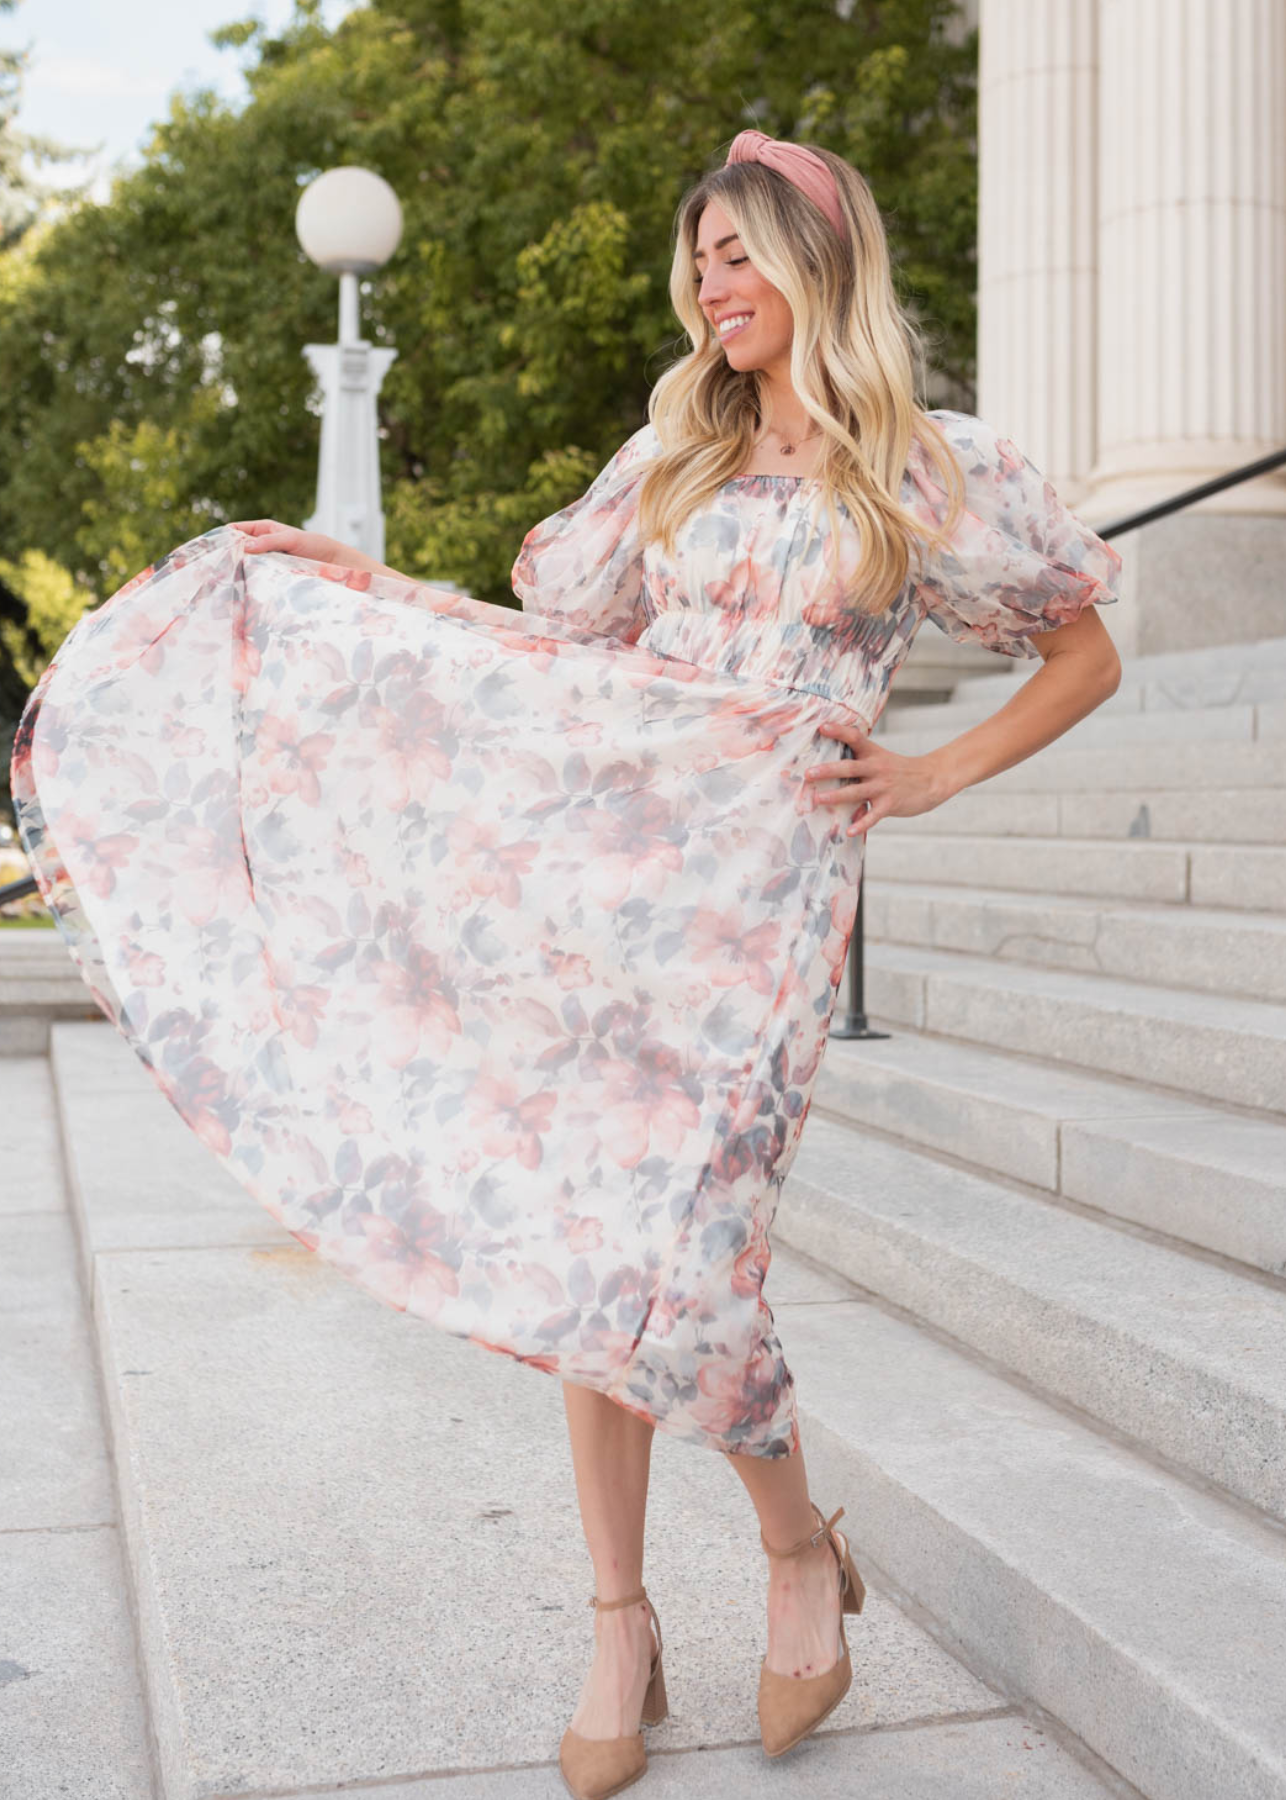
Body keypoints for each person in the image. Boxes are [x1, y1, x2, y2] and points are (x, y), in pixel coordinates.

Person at [10, 131, 1122, 1800]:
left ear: (815, 264)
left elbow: (1088, 647)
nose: (709, 284)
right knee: (583, 1260)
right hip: (607, 900)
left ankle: (794, 1551)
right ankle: (620, 1621)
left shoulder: (926, 468)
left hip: (760, 919)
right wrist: (371, 591)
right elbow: (557, 655)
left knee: (687, 1269)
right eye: (697, 261)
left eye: (737, 254)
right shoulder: (671, 454)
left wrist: (926, 773)